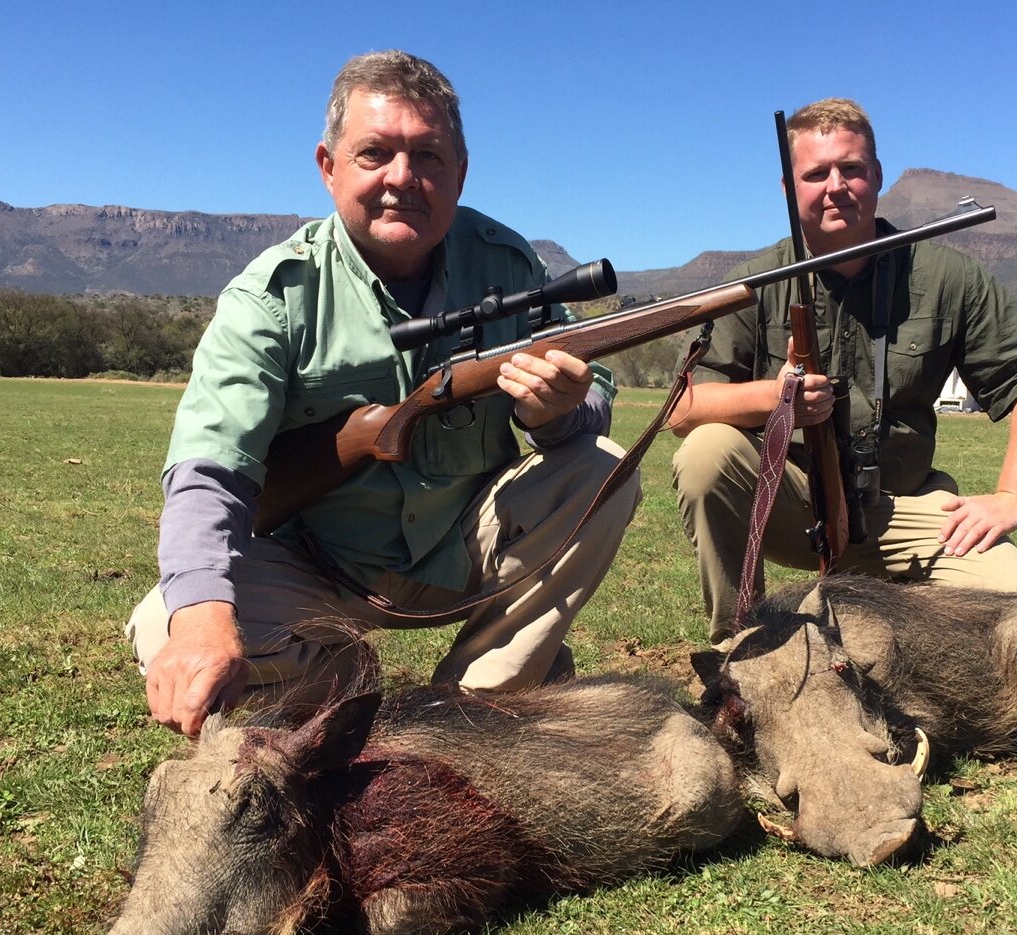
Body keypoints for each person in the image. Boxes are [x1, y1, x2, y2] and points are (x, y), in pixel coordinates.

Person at [128, 50, 638, 735]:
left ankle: (470, 709)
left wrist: (558, 415)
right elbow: (208, 468)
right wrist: (202, 624)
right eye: (376, 153)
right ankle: (337, 672)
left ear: (460, 172)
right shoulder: (272, 295)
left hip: (468, 551)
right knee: (166, 624)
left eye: (428, 156)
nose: (404, 178)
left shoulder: (511, 266)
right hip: (319, 568)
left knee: (602, 466)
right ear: (328, 166)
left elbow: (594, 391)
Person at [671, 98, 1017, 647]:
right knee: (705, 452)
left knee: (1014, 595)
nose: (836, 185)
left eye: (851, 169)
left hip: (901, 505)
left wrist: (1011, 496)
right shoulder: (753, 282)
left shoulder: (946, 275)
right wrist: (778, 397)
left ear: (877, 176)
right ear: (790, 189)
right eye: (816, 173)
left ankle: (885, 618)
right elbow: (683, 406)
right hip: (792, 502)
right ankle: (741, 646)